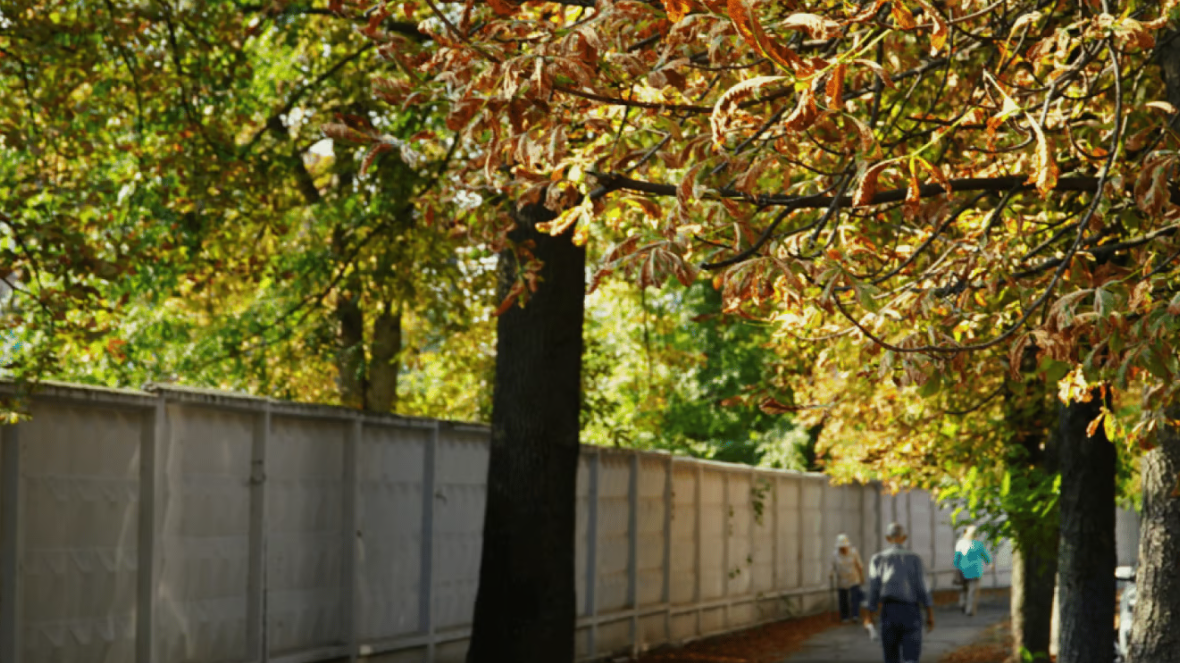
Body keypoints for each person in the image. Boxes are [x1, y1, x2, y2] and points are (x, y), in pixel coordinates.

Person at [861, 522, 934, 663]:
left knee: (891, 656)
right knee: (911, 655)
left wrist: (868, 616)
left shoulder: (878, 559)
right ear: (904, 537)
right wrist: (930, 614)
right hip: (911, 610)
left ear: (887, 538)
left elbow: (873, 588)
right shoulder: (915, 559)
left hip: (889, 611)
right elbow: (923, 587)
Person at [953, 525, 992, 617]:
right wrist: (990, 564)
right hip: (975, 571)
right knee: (972, 591)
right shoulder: (978, 544)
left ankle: (962, 603)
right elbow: (985, 556)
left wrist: (957, 567)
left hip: (963, 569)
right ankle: (969, 610)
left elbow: (956, 558)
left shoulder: (960, 543)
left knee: (963, 589)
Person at [830, 534, 866, 623]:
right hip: (841, 580)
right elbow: (832, 566)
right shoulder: (835, 554)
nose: (842, 549)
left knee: (855, 598)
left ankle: (855, 615)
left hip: (853, 578)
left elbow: (859, 565)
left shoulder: (854, 552)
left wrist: (862, 577)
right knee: (843, 599)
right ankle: (844, 616)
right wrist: (830, 573)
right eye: (841, 547)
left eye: (844, 547)